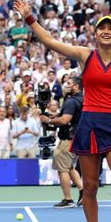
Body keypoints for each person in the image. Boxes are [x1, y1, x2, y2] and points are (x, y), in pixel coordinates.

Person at [14, 0, 111, 222]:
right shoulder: (85, 55)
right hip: (89, 126)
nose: (106, 31)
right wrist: (29, 17)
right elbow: (49, 41)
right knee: (89, 187)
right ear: (96, 33)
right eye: (102, 28)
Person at [39, 76, 84, 208]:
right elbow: (72, 118)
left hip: (67, 140)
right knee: (69, 167)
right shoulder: (82, 99)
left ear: (75, 87)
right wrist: (54, 117)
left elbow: (65, 120)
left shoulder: (71, 101)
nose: (65, 85)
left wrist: (47, 120)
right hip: (77, 138)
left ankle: (68, 199)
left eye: (69, 83)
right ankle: (83, 192)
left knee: (62, 168)